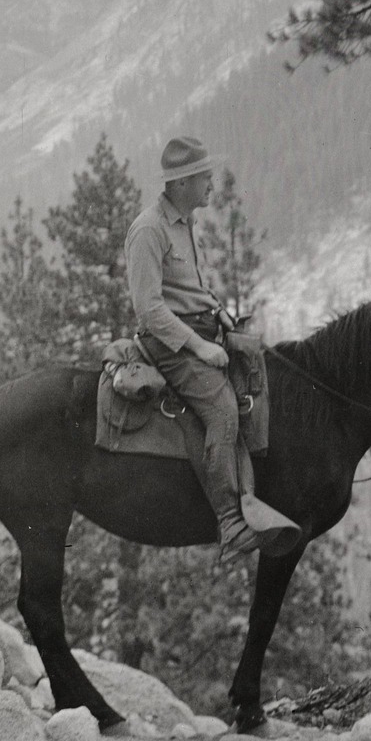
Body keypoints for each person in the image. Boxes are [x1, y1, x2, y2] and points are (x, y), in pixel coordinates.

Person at [125, 135, 262, 561]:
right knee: (222, 410)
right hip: (168, 342)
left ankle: (251, 497)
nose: (211, 184)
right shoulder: (148, 230)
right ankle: (230, 522)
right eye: (205, 177)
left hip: (198, 328)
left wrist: (217, 311)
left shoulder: (186, 223)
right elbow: (149, 309)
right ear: (182, 182)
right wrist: (200, 347)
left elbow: (191, 288)